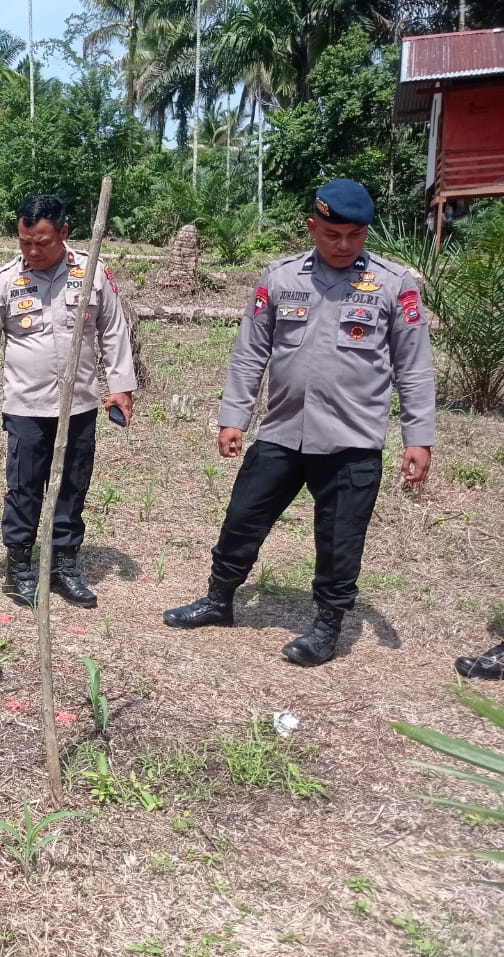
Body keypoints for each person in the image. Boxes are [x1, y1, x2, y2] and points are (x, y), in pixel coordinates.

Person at [162, 179, 435, 666]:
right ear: (313, 227)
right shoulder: (280, 278)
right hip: (282, 433)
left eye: (356, 235)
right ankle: (219, 599)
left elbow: (413, 367)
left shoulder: (394, 286)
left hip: (352, 442)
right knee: (242, 519)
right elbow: (251, 354)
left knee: (339, 539)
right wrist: (234, 417)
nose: (345, 245)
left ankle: (327, 626)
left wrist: (419, 437)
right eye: (333, 234)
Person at [0, 194, 137, 608]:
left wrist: (121, 385)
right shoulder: (5, 280)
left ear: (64, 232)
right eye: (25, 241)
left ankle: (64, 565)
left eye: (42, 241)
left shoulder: (92, 272)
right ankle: (20, 567)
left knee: (72, 487)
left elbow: (113, 329)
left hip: (78, 405)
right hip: (26, 408)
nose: (32, 251)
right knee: (24, 488)